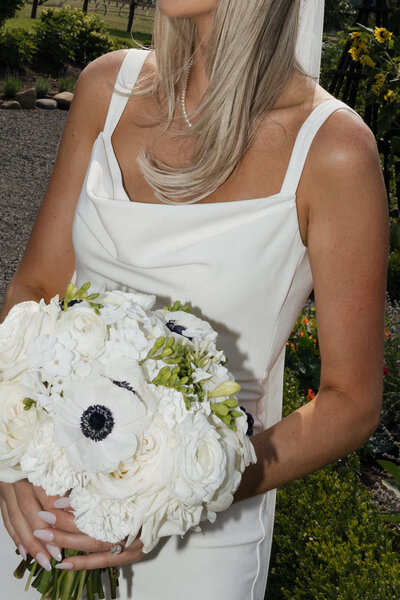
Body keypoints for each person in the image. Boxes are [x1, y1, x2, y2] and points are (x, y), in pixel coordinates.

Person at [0, 0, 388, 598]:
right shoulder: (106, 89)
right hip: (44, 506)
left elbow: (352, 401)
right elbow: (35, 287)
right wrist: (13, 449)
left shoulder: (334, 151)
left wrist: (173, 495)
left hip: (197, 544)